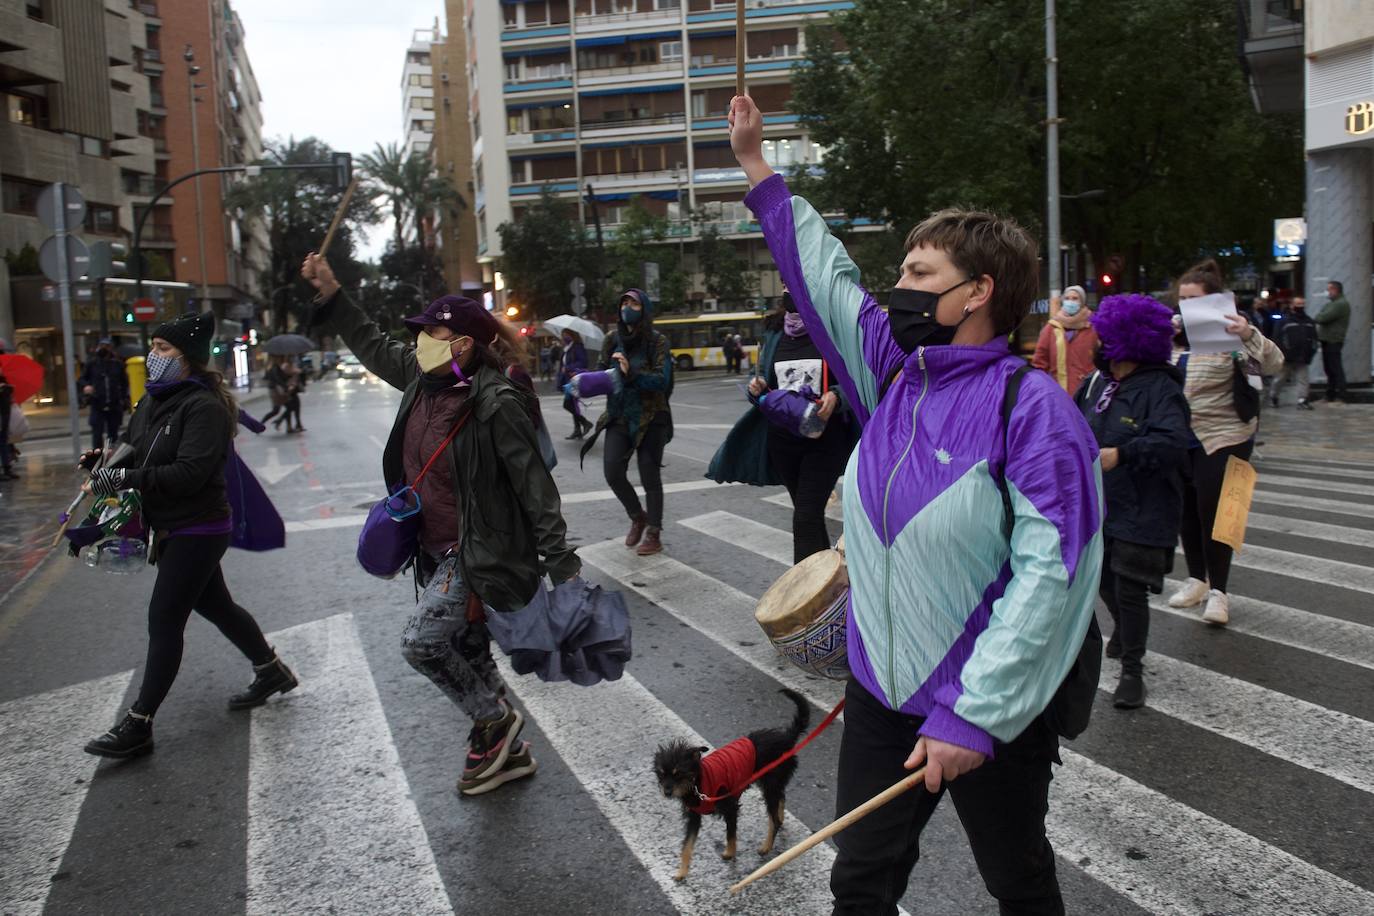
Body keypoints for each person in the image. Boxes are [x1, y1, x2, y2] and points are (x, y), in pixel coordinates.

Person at [730, 94, 1103, 915]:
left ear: (978, 292)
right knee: (860, 879)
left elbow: (1055, 578)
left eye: (917, 275)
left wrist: (975, 717)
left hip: (984, 705)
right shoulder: (891, 377)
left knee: (1017, 877)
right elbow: (824, 279)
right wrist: (758, 168)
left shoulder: (1035, 412)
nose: (895, 290)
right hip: (879, 696)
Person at [301, 253, 581, 796]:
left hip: (474, 550)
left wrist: (561, 566)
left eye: (431, 332)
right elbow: (371, 342)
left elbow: (535, 489)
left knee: (422, 643)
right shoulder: (420, 380)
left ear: (463, 343)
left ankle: (495, 722)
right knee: (472, 653)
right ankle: (508, 751)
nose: (420, 341)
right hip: (428, 549)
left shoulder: (496, 401)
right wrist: (333, 293)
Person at [82, 312, 295, 758]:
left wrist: (123, 479)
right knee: (217, 604)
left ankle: (139, 722)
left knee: (164, 618)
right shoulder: (153, 399)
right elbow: (134, 445)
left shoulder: (205, 407)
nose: (152, 356)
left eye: (162, 349)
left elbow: (189, 472)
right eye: (153, 346)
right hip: (171, 524)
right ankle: (271, 669)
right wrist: (103, 462)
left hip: (199, 526)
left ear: (188, 359)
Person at [1074, 294, 1191, 709]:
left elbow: (1175, 442)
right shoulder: (1098, 383)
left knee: (1129, 589)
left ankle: (1133, 671)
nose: (1098, 342)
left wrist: (1122, 454)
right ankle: (1123, 630)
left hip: (1145, 506)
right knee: (1101, 579)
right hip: (1100, 506)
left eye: (1106, 336)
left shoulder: (1160, 388)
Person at [1167, 259, 1283, 626]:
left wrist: (1247, 335)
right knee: (1186, 510)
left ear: (1214, 302)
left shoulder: (1234, 336)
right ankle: (1196, 579)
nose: (1187, 307)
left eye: (1195, 299)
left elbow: (1271, 364)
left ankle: (1220, 591)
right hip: (1181, 438)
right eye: (1182, 300)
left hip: (1227, 436)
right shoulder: (1172, 338)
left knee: (1215, 512)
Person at [745, 285, 856, 562]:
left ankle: (807, 601)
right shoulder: (773, 332)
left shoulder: (831, 329)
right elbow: (763, 381)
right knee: (809, 516)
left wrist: (837, 397)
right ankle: (829, 587)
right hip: (782, 441)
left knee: (805, 517)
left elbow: (858, 377)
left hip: (825, 439)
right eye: (782, 283)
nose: (786, 288)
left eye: (791, 282)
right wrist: (756, 388)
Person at [581, 289, 673, 557]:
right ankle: (637, 515)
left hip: (651, 416)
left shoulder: (658, 341)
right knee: (612, 471)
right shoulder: (612, 339)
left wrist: (629, 373)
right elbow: (602, 374)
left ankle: (654, 532)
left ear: (644, 308)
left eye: (633, 303)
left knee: (649, 474)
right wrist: (583, 383)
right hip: (619, 415)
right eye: (624, 302)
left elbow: (661, 380)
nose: (627, 307)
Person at [1031, 285, 1097, 395]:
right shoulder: (1051, 328)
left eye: (1075, 298)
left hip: (1088, 395)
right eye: (1067, 298)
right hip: (1058, 396)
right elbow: (1039, 365)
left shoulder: (1093, 327)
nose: (1070, 302)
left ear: (1082, 302)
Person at [78, 338, 131, 451]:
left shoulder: (117, 364)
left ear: (111, 348)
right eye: (101, 346)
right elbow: (82, 379)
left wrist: (124, 398)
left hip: (114, 404)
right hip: (97, 403)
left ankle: (111, 456)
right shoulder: (92, 364)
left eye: (106, 346)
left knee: (113, 433)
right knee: (97, 432)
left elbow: (124, 383)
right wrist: (86, 386)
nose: (103, 349)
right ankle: (98, 456)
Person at [1270, 296, 1318, 409]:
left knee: (1303, 378)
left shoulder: (1309, 321)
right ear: (1292, 305)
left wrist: (1311, 352)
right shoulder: (1284, 321)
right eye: (1298, 304)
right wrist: (1282, 352)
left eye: (1302, 304)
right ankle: (1274, 396)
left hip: (1303, 355)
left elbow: (1314, 338)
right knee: (1280, 378)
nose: (1300, 307)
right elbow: (1277, 338)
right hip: (1287, 356)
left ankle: (1303, 399)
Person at [1314, 280, 1349, 404]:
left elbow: (1322, 317)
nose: (1327, 292)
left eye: (1329, 289)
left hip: (1333, 340)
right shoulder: (1333, 303)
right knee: (1329, 369)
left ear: (1335, 290)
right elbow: (1320, 316)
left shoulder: (1340, 304)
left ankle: (1341, 396)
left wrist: (1320, 316)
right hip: (1327, 340)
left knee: (1335, 368)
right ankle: (1330, 395)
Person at [558, 330, 592, 439]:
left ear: (573, 335)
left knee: (567, 404)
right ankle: (577, 429)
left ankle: (585, 423)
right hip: (568, 379)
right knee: (572, 404)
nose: (564, 337)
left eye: (566, 335)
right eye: (563, 335)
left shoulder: (577, 347)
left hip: (575, 378)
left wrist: (568, 368)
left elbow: (583, 362)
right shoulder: (567, 349)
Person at [259, 356, 293, 430]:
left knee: (287, 407)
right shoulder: (274, 367)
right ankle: (260, 425)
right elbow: (277, 379)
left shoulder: (272, 366)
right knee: (280, 409)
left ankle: (288, 426)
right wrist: (285, 387)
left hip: (275, 390)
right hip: (276, 390)